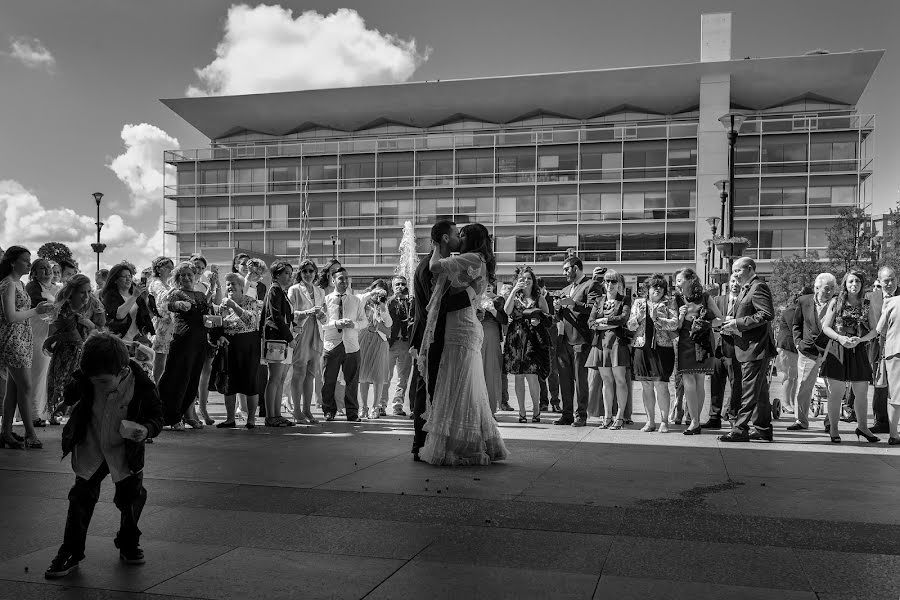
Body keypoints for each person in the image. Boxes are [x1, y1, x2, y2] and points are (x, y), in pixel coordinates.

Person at [43, 332, 163, 579]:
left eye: (103, 382)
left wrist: (147, 429)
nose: (96, 385)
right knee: (80, 500)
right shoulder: (88, 378)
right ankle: (71, 551)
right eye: (92, 380)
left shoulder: (142, 385)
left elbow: (157, 416)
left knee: (131, 498)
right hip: (92, 447)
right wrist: (68, 397)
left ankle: (128, 542)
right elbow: (72, 393)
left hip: (125, 451)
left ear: (123, 370)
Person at [418, 222, 509, 465]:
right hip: (468, 324)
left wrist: (438, 242)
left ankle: (458, 445)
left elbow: (434, 266)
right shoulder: (480, 260)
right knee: (468, 386)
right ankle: (478, 441)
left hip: (459, 327)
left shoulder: (470, 257)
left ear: (470, 239)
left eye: (462, 235)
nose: (459, 238)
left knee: (455, 384)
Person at [408, 221, 475, 460]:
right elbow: (436, 306)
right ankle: (420, 444)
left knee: (434, 389)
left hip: (436, 335)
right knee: (427, 390)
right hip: (430, 337)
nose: (460, 238)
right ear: (446, 238)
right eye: (457, 235)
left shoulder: (440, 264)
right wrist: (472, 295)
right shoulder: (429, 267)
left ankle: (430, 442)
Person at [0, 246, 55, 449]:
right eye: (25, 260)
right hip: (12, 339)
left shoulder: (19, 283)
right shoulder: (9, 284)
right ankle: (30, 433)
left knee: (14, 389)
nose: (29, 264)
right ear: (13, 262)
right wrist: (36, 310)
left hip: (22, 337)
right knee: (26, 386)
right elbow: (10, 316)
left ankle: (6, 432)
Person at [719, 257, 777, 443]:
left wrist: (738, 323)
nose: (735, 274)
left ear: (750, 268)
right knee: (759, 392)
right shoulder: (747, 288)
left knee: (749, 391)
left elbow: (766, 314)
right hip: (746, 347)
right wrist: (732, 324)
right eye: (733, 271)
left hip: (756, 348)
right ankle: (763, 429)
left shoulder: (758, 287)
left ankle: (740, 428)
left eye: (738, 270)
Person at [820, 269, 879, 443]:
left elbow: (875, 330)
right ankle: (834, 430)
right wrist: (840, 338)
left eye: (858, 282)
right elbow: (825, 327)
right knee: (836, 393)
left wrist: (860, 340)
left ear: (862, 285)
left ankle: (862, 427)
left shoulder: (866, 304)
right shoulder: (836, 301)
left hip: (857, 349)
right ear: (845, 283)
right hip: (837, 348)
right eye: (851, 281)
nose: (854, 285)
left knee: (861, 393)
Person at [157, 262, 211, 429]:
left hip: (200, 339)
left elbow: (205, 313)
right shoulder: (176, 293)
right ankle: (171, 418)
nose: (187, 277)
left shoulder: (201, 295)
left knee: (193, 379)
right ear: (177, 278)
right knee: (177, 378)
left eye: (190, 274)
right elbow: (166, 306)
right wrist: (177, 305)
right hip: (183, 339)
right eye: (183, 275)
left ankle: (185, 415)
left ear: (195, 276)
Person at [45, 275, 101, 423]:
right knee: (64, 385)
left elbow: (101, 324)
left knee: (80, 385)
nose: (87, 296)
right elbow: (74, 338)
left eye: (89, 291)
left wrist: (91, 324)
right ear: (72, 293)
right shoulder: (64, 310)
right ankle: (59, 412)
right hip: (67, 353)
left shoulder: (88, 305)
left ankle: (70, 413)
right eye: (82, 292)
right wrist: (51, 340)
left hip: (82, 351)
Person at [627, 274, 679, 433]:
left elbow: (675, 323)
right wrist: (640, 317)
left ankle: (664, 422)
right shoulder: (638, 303)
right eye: (654, 286)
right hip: (641, 348)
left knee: (661, 385)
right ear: (647, 289)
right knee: (646, 385)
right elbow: (630, 326)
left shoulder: (669, 302)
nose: (657, 289)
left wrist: (657, 319)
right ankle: (650, 422)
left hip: (663, 349)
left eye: (661, 286)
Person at [553, 256, 601, 427]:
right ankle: (566, 415)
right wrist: (558, 308)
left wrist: (573, 303)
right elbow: (559, 316)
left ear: (577, 267)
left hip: (581, 339)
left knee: (580, 380)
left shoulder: (591, 285)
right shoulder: (566, 288)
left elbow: (595, 309)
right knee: (564, 380)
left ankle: (581, 415)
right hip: (564, 339)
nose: (564, 272)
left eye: (567, 269)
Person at [674, 269, 722, 435]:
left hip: (702, 342)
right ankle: (694, 420)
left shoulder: (706, 297)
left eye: (679, 280)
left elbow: (719, 319)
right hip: (685, 342)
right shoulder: (678, 299)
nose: (676, 284)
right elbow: (675, 327)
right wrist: (680, 318)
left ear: (689, 280)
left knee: (699, 380)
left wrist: (704, 323)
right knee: (688, 379)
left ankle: (695, 421)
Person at [503, 265, 550, 423]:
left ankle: (536, 409)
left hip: (532, 340)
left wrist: (539, 321)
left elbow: (549, 318)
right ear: (517, 281)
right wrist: (514, 291)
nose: (526, 281)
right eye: (523, 279)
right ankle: (522, 412)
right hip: (515, 340)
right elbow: (507, 311)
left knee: (532, 377)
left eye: (529, 278)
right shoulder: (514, 297)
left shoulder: (539, 298)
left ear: (533, 280)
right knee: (518, 377)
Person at [214, 273, 262, 429]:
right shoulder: (223, 304)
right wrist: (219, 334)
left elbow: (252, 320)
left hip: (248, 345)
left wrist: (234, 306)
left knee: (250, 382)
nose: (230, 286)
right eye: (228, 284)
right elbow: (219, 325)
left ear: (242, 286)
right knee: (229, 383)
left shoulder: (250, 301)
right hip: (229, 345)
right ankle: (229, 419)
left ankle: (251, 419)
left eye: (233, 283)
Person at [790, 273, 837, 431]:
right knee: (803, 386)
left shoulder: (837, 303)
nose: (829, 291)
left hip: (831, 350)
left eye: (832, 288)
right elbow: (796, 324)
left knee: (832, 388)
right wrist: (798, 343)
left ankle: (830, 422)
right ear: (817, 287)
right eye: (826, 288)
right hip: (807, 350)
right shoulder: (804, 301)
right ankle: (801, 421)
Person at [587, 270, 632, 430]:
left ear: (619, 284)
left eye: (613, 282)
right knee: (606, 381)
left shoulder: (625, 299)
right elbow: (590, 322)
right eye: (607, 281)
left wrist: (604, 320)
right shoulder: (599, 300)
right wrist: (602, 322)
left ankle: (619, 417)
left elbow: (623, 319)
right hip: (601, 343)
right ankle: (607, 417)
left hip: (617, 343)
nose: (610, 285)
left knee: (620, 380)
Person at [321, 268, 367, 422]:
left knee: (352, 382)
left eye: (347, 278)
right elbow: (321, 323)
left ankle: (352, 413)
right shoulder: (326, 299)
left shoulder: (356, 300)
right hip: (331, 346)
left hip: (352, 346)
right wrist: (336, 323)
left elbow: (364, 322)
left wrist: (352, 324)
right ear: (333, 281)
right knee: (329, 381)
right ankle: (329, 410)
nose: (345, 281)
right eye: (341, 278)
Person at [287, 259, 324, 425]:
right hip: (301, 333)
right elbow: (289, 313)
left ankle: (307, 410)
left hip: (316, 334)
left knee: (311, 375)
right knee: (299, 373)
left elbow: (325, 315)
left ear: (315, 273)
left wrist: (322, 316)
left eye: (311, 271)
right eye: (305, 271)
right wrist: (307, 311)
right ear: (300, 273)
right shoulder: (294, 289)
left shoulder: (320, 291)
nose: (308, 274)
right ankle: (296, 410)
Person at [25, 257, 60, 426]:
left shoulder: (54, 288)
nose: (47, 271)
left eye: (49, 267)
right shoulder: (32, 287)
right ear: (34, 273)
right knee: (36, 373)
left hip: (50, 332)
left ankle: (43, 412)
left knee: (46, 375)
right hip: (37, 331)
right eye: (42, 268)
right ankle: (32, 414)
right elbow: (40, 307)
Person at [705, 275, 742, 429]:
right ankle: (714, 417)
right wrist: (720, 322)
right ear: (728, 283)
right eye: (733, 281)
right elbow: (709, 319)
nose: (735, 284)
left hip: (736, 348)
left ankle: (734, 416)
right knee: (716, 383)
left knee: (736, 384)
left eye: (738, 281)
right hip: (719, 346)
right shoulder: (718, 300)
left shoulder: (745, 301)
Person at [261, 261, 295, 427]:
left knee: (280, 379)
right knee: (274, 378)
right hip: (276, 338)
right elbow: (277, 316)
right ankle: (271, 416)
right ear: (276, 275)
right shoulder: (275, 290)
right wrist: (290, 337)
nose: (290, 276)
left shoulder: (281, 291)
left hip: (280, 338)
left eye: (290, 273)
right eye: (286, 273)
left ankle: (277, 414)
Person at [190, 254, 222, 426]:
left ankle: (203, 408)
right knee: (193, 370)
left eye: (202, 268)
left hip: (207, 329)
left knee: (206, 370)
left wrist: (215, 285)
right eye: (196, 266)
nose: (199, 270)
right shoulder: (185, 285)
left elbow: (215, 303)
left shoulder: (204, 285)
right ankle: (191, 410)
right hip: (191, 331)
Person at [867, 266, 897, 434]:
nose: (890, 283)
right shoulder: (871, 297)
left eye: (893, 279)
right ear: (879, 281)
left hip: (897, 348)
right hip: (877, 348)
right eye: (886, 280)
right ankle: (881, 422)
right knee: (880, 387)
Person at [358, 279, 392, 420]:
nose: (378, 295)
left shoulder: (384, 305)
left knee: (378, 376)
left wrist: (383, 308)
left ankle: (375, 407)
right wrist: (371, 296)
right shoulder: (363, 301)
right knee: (363, 375)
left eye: (382, 292)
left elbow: (389, 324)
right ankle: (363, 407)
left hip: (380, 340)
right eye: (376, 291)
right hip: (364, 340)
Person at [381, 275, 413, 416]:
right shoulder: (388, 302)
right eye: (397, 284)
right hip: (390, 344)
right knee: (385, 377)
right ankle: (381, 404)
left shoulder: (411, 302)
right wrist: (395, 298)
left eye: (403, 284)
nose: (400, 286)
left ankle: (397, 404)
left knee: (403, 378)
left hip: (406, 344)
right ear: (392, 287)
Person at [101, 263, 155, 345]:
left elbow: (148, 316)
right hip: (119, 341)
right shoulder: (109, 296)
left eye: (129, 276)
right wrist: (134, 296)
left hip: (137, 341)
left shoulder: (135, 294)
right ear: (115, 280)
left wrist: (145, 298)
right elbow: (119, 315)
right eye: (124, 277)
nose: (128, 279)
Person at [775, 289, 808, 418]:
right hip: (787, 347)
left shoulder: (799, 310)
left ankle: (791, 403)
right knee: (789, 376)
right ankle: (785, 403)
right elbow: (795, 328)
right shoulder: (791, 311)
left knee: (793, 377)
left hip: (794, 347)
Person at [478, 280, 507, 414]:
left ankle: (491, 408)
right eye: (485, 283)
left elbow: (504, 320)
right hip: (477, 337)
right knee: (478, 372)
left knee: (491, 371)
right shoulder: (475, 297)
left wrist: (493, 310)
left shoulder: (498, 299)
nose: (488, 286)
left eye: (490, 283)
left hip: (492, 337)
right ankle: (478, 408)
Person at [874, 293, 900, 445]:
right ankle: (893, 434)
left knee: (895, 396)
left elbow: (880, 330)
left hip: (895, 352)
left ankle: (894, 433)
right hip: (896, 353)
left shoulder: (892, 302)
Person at [147, 257, 175, 384]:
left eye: (171, 267)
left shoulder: (167, 284)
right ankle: (155, 388)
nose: (171, 269)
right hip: (161, 324)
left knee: (163, 361)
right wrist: (176, 290)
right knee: (159, 360)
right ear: (158, 269)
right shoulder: (156, 283)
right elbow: (163, 299)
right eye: (167, 267)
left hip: (168, 325)